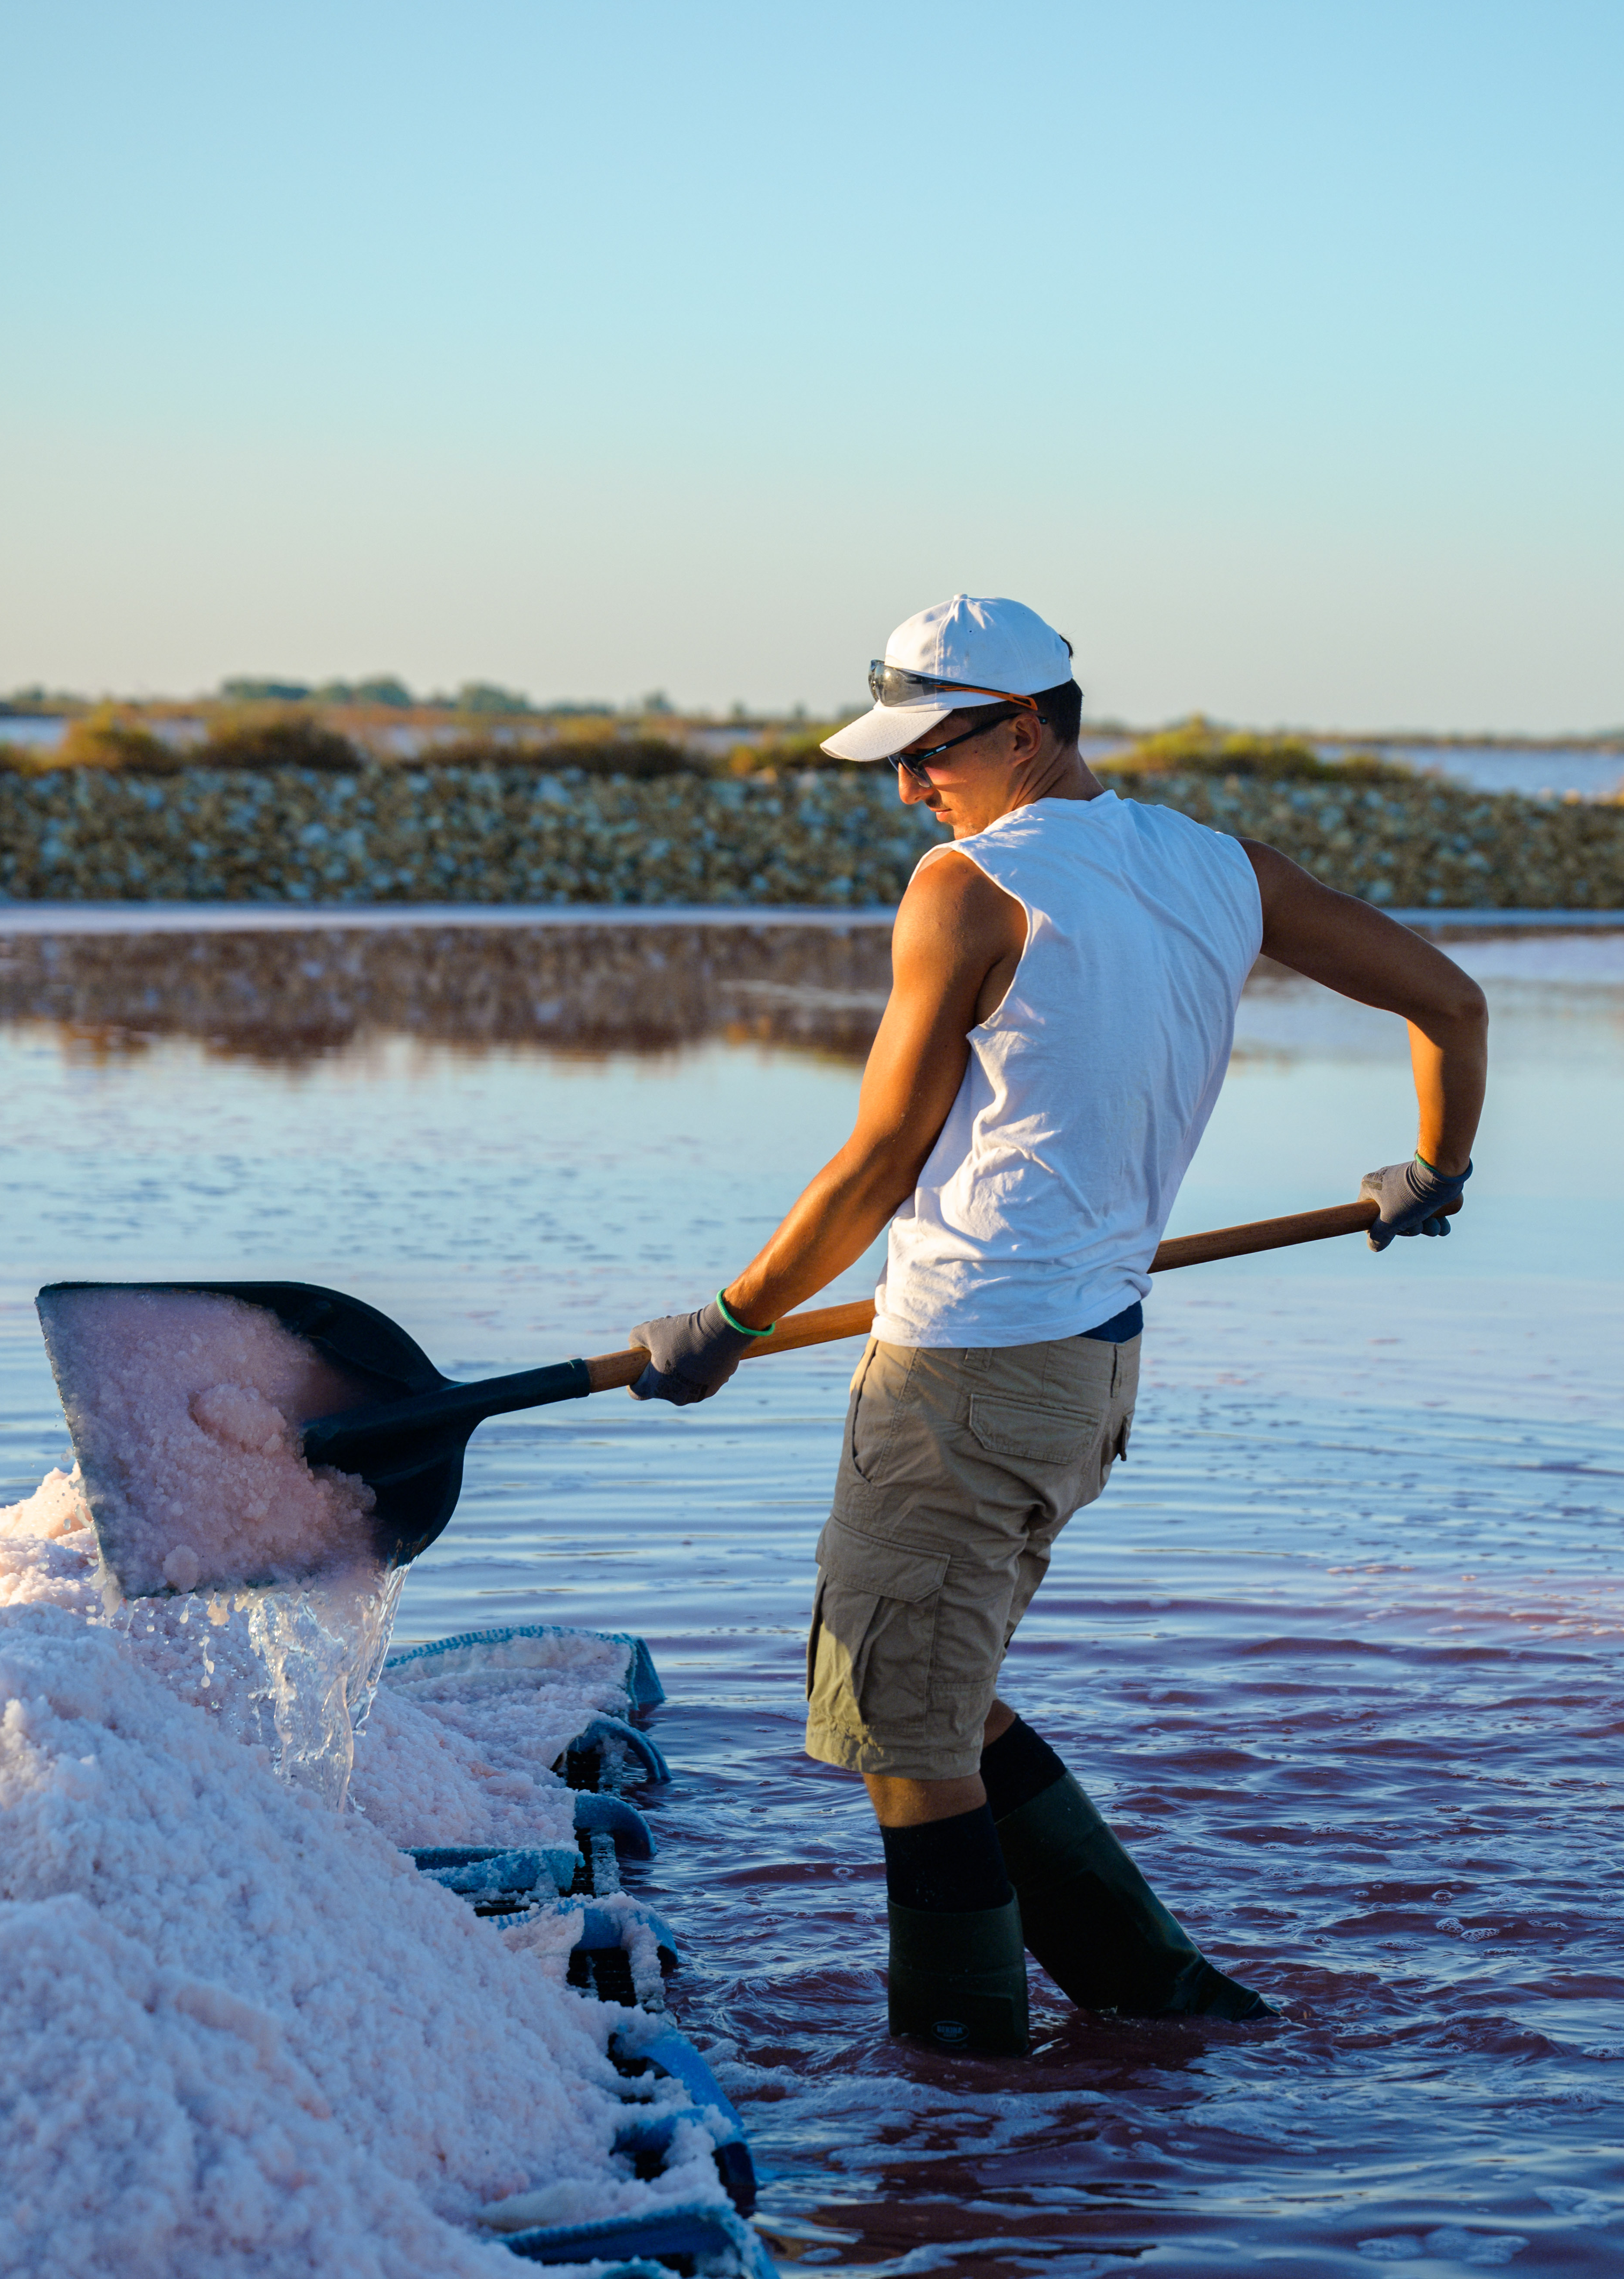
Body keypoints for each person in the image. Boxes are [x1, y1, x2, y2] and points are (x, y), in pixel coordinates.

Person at [629, 595, 1488, 2056]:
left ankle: (957, 2090)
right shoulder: (1220, 869)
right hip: (1089, 1370)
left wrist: (726, 1320)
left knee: (900, 1730)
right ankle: (1159, 1997)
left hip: (966, 1368)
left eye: (931, 753)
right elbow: (1454, 1006)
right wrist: (1436, 1168)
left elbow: (883, 1155)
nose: (909, 788)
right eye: (895, 759)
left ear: (1026, 727)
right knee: (941, 1696)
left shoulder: (971, 886)